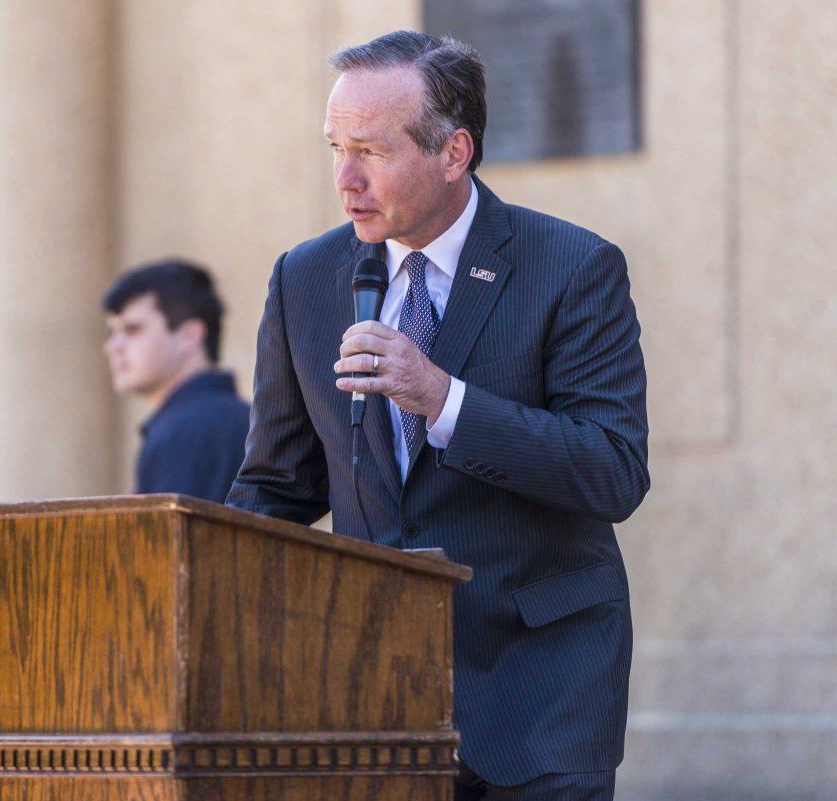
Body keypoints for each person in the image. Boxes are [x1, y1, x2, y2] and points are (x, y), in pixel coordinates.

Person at [226, 30, 649, 801]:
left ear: (454, 153)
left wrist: (442, 398)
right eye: (334, 147)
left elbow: (613, 470)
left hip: (541, 690)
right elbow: (276, 488)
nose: (344, 178)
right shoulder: (305, 278)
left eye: (372, 152)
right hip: (371, 696)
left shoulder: (574, 268)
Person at [102, 259, 250, 504]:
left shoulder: (183, 433)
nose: (112, 347)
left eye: (132, 330)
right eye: (112, 333)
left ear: (189, 336)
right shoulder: (242, 418)